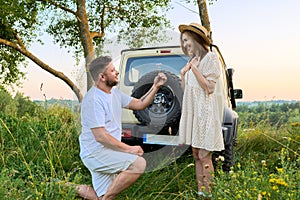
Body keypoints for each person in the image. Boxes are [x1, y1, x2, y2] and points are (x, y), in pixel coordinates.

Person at [76, 56, 167, 200]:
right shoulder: (93, 99)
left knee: (104, 195)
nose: (117, 72)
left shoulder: (114, 94)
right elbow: (100, 136)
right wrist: (129, 149)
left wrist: (155, 86)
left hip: (106, 150)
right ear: (102, 77)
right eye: (112, 70)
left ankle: (65, 187)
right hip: (95, 152)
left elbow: (139, 104)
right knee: (138, 164)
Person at [178, 22, 224, 197]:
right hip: (193, 113)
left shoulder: (211, 58)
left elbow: (209, 88)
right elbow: (187, 89)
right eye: (183, 41)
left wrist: (195, 70)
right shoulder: (192, 60)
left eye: (187, 40)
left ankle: (209, 193)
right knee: (196, 154)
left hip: (204, 113)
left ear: (197, 39)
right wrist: (184, 74)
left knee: (205, 156)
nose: (185, 44)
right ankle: (201, 192)